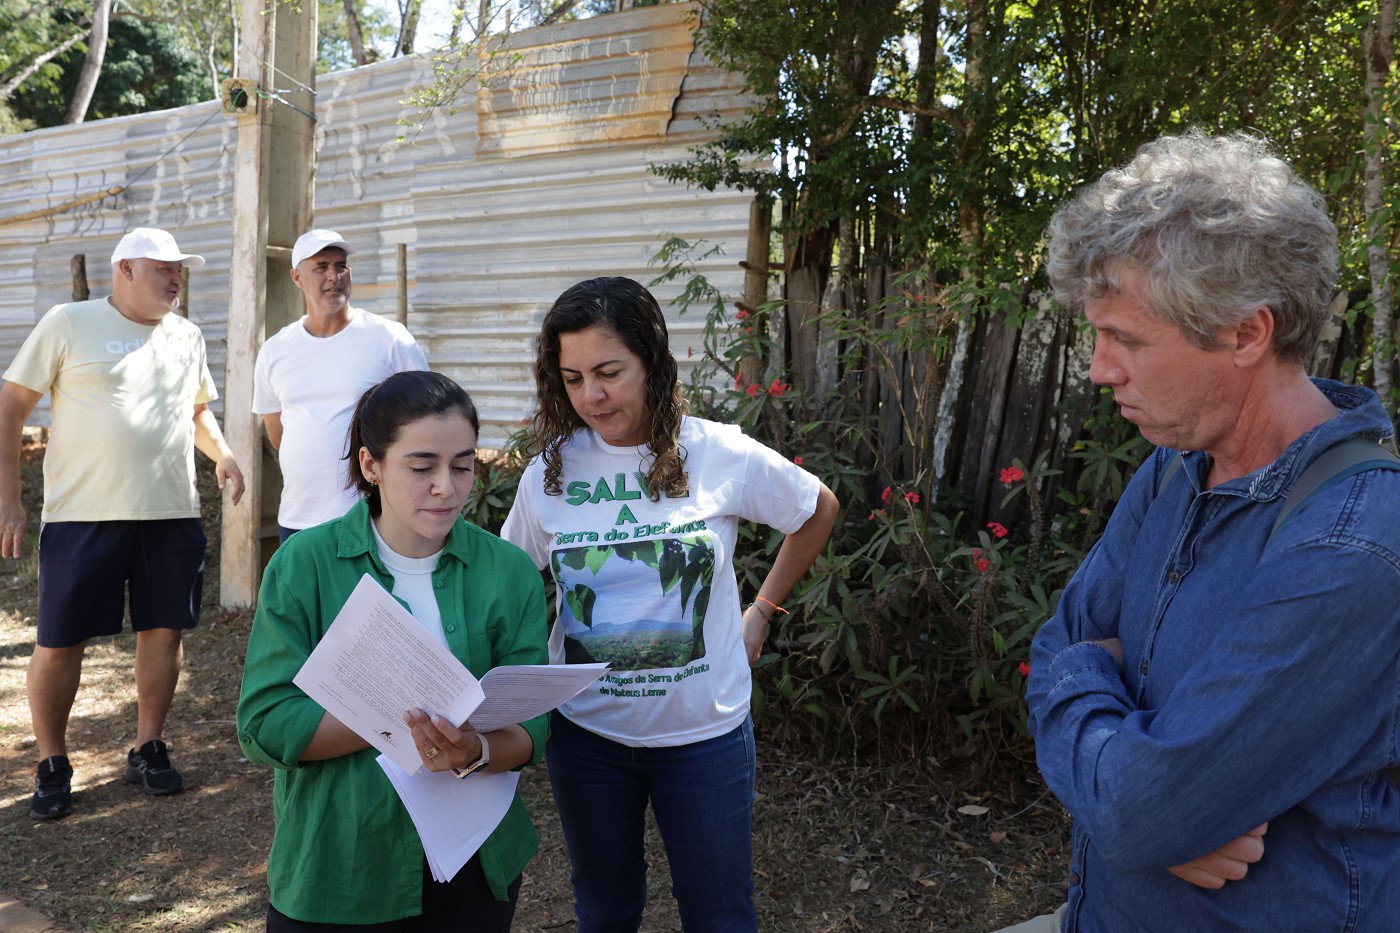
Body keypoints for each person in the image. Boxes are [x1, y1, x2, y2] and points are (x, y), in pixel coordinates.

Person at [1010, 131, 1400, 932]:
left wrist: (1147, 807)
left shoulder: (1350, 548)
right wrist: (1147, 796)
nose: (1098, 367)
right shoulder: (1176, 465)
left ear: (1247, 333)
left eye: (1127, 338)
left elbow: (1139, 809)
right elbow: (1057, 644)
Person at [501, 276, 840, 932]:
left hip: (703, 737)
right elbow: (507, 581)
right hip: (588, 737)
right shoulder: (550, 471)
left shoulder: (716, 452)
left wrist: (762, 610)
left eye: (608, 371)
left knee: (720, 915)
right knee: (605, 911)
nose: (591, 395)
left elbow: (815, 507)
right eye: (571, 378)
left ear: (652, 361)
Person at [236, 370, 549, 930]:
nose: (446, 487)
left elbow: (534, 725)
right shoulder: (305, 566)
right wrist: (398, 716)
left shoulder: (508, 571)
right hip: (341, 864)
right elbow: (265, 723)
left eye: (463, 465)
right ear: (370, 465)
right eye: (422, 466)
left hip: (476, 863)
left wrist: (473, 751)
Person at [0, 227, 244, 821]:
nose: (176, 278)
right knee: (59, 643)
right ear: (126, 270)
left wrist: (226, 454)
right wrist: (10, 499)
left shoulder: (187, 335)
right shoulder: (68, 321)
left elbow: (196, 413)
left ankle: (148, 744)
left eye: (180, 268)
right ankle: (53, 762)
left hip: (169, 513)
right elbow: (10, 406)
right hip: (82, 517)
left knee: (163, 633)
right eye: (163, 268)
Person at [253, 228, 427, 542]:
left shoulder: (389, 339)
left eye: (341, 266)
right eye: (321, 267)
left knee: (372, 594)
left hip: (371, 517)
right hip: (298, 518)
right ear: (296, 278)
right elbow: (278, 435)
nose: (334, 276)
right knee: (303, 594)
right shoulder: (276, 349)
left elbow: (425, 421)